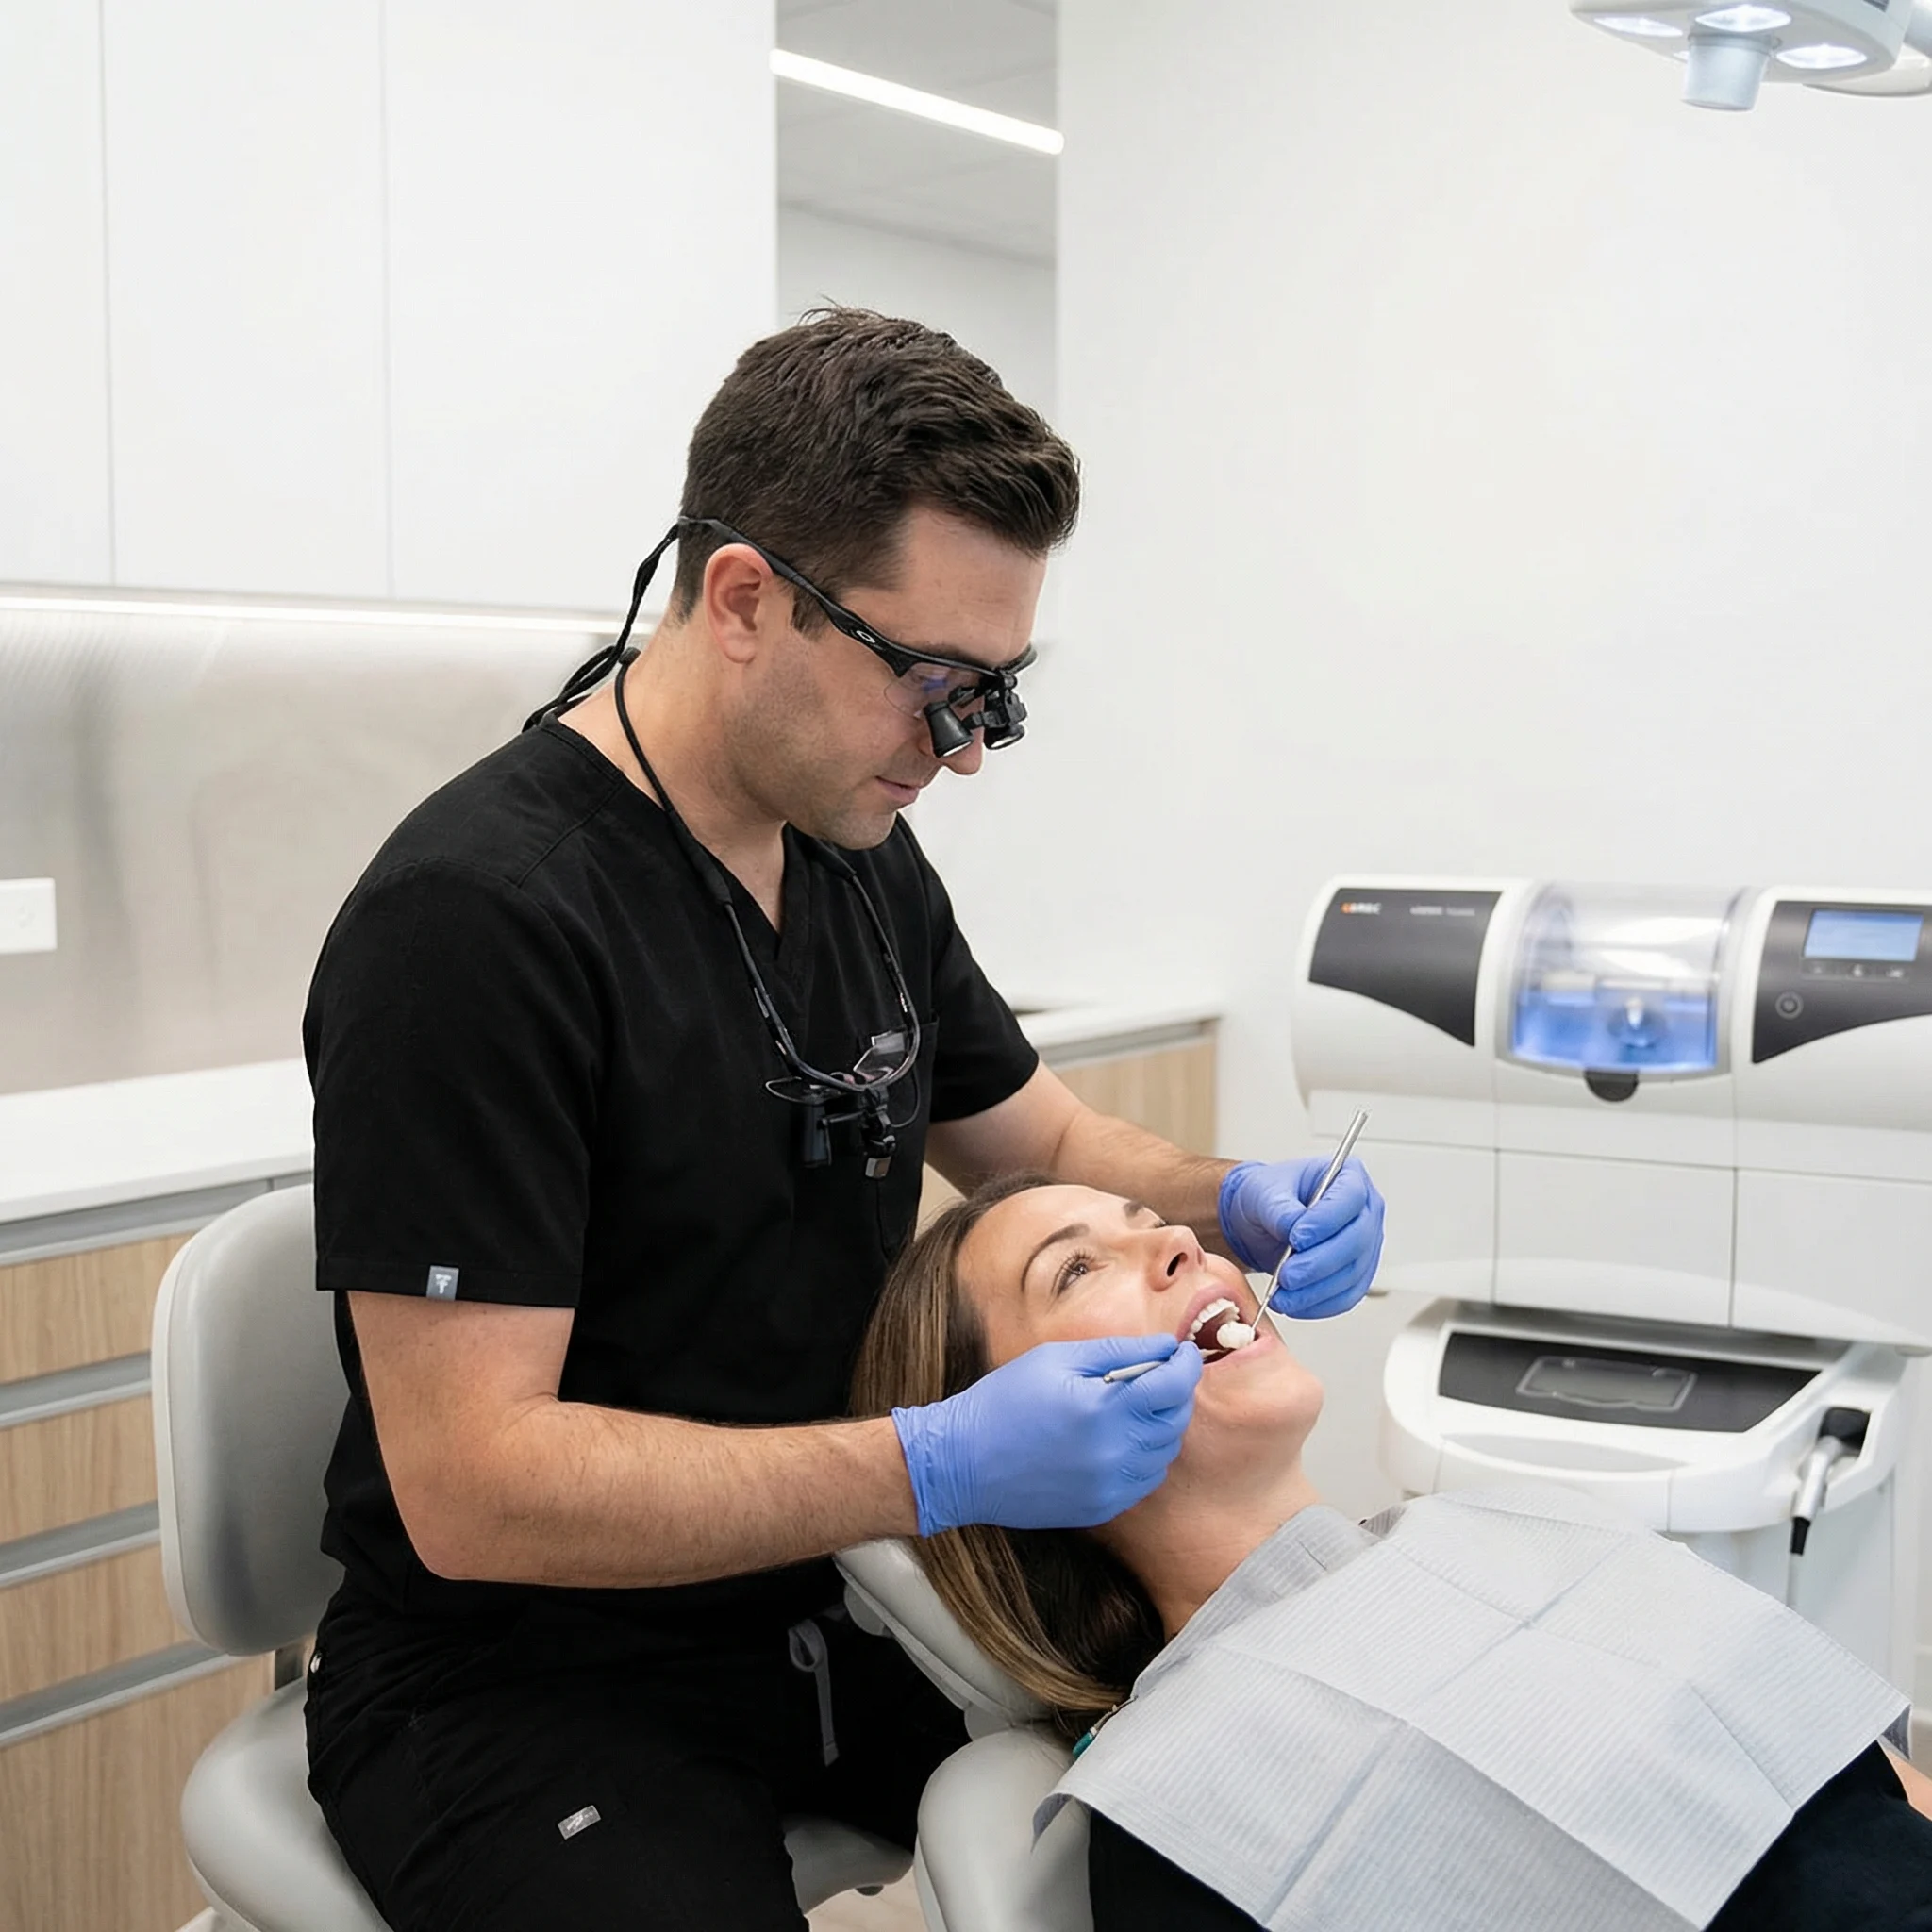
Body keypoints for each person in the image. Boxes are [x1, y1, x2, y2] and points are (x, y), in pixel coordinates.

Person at [299, 308, 1387, 1929]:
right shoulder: (478, 924)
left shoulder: (855, 857)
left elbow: (1053, 1149)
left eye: (997, 698)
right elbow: (477, 1485)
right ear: (744, 598)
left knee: (1274, 1775)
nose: (959, 752)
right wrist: (935, 1460)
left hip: (820, 1596)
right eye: (935, 685)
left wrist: (1233, 1198)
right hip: (523, 1666)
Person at [851, 1173, 1932, 1932]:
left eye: (1149, 1224)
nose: (1181, 1242)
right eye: (1076, 1270)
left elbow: (1873, 1782)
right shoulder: (1178, 1809)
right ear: (1010, 1446)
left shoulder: (1523, 1526)